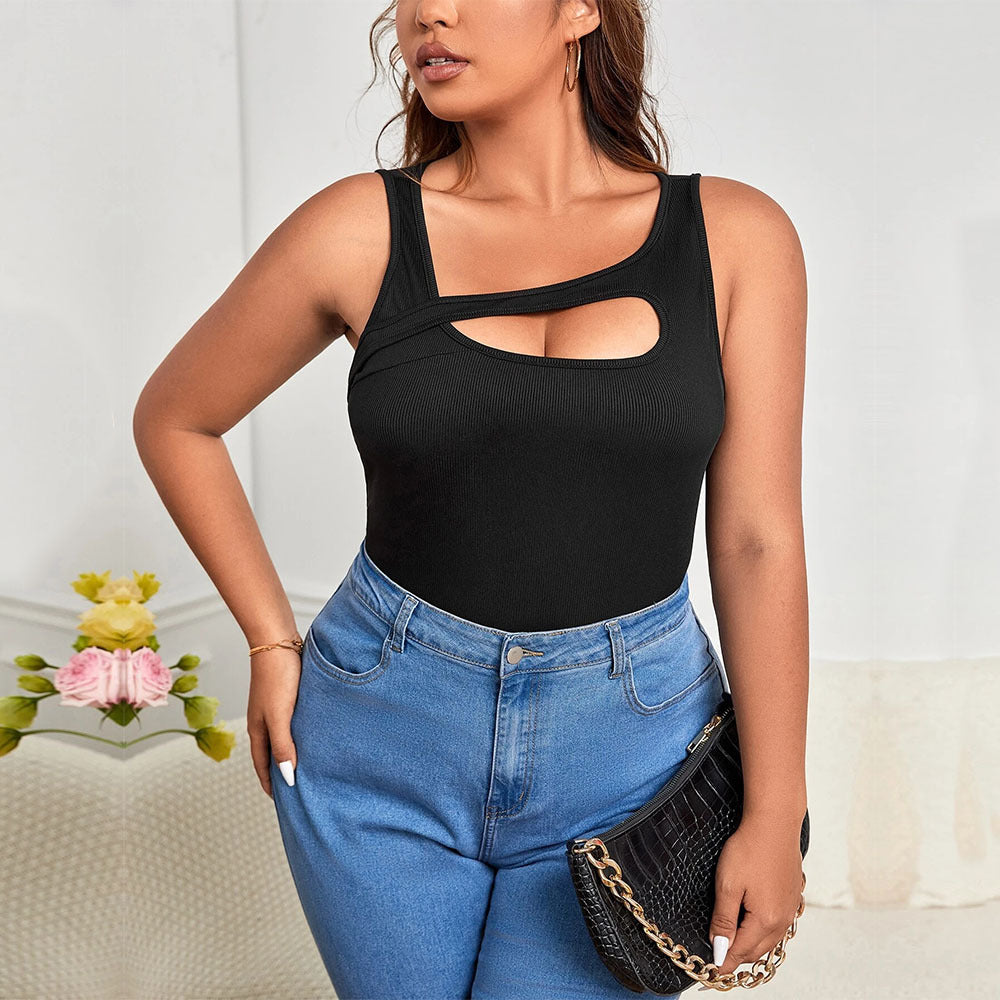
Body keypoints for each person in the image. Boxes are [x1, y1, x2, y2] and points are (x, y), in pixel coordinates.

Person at [133, 1, 808, 997]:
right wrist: (271, 640)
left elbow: (756, 538)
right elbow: (176, 418)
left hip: (628, 754)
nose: (430, 14)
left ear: (579, 10)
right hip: (379, 731)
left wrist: (774, 809)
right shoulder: (357, 229)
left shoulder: (736, 237)